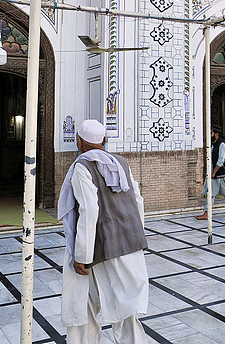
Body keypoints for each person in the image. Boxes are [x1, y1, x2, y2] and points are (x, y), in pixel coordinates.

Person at [57, 119, 149, 344]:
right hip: (128, 245)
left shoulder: (82, 166)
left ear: (78, 142)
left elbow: (89, 210)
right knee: (125, 311)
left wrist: (82, 257)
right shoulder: (121, 163)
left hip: (98, 249)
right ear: (105, 141)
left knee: (83, 307)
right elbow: (138, 202)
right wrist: (134, 236)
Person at [196, 124, 225, 219]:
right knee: (210, 193)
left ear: (216, 134)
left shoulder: (222, 144)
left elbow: (221, 161)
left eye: (211, 133)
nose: (210, 135)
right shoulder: (214, 144)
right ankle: (206, 213)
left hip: (221, 174)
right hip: (215, 175)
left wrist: (214, 172)